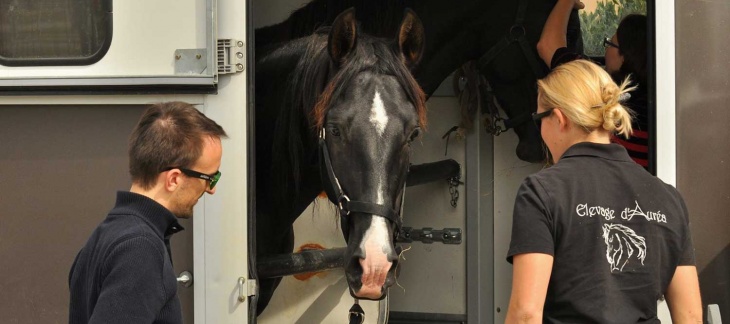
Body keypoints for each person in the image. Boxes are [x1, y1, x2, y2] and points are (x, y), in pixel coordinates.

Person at [505, 60, 702, 323]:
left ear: (560, 119)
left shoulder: (541, 192)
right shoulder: (668, 198)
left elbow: (526, 314)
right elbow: (690, 315)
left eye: (539, 119)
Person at [68, 102, 227, 324]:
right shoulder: (140, 248)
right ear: (173, 179)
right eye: (210, 178)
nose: (211, 189)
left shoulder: (106, 235)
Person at [537, 0, 650, 170]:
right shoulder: (659, 97)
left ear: (625, 56)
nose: (606, 52)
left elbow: (547, 45)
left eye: (610, 44)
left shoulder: (597, 87)